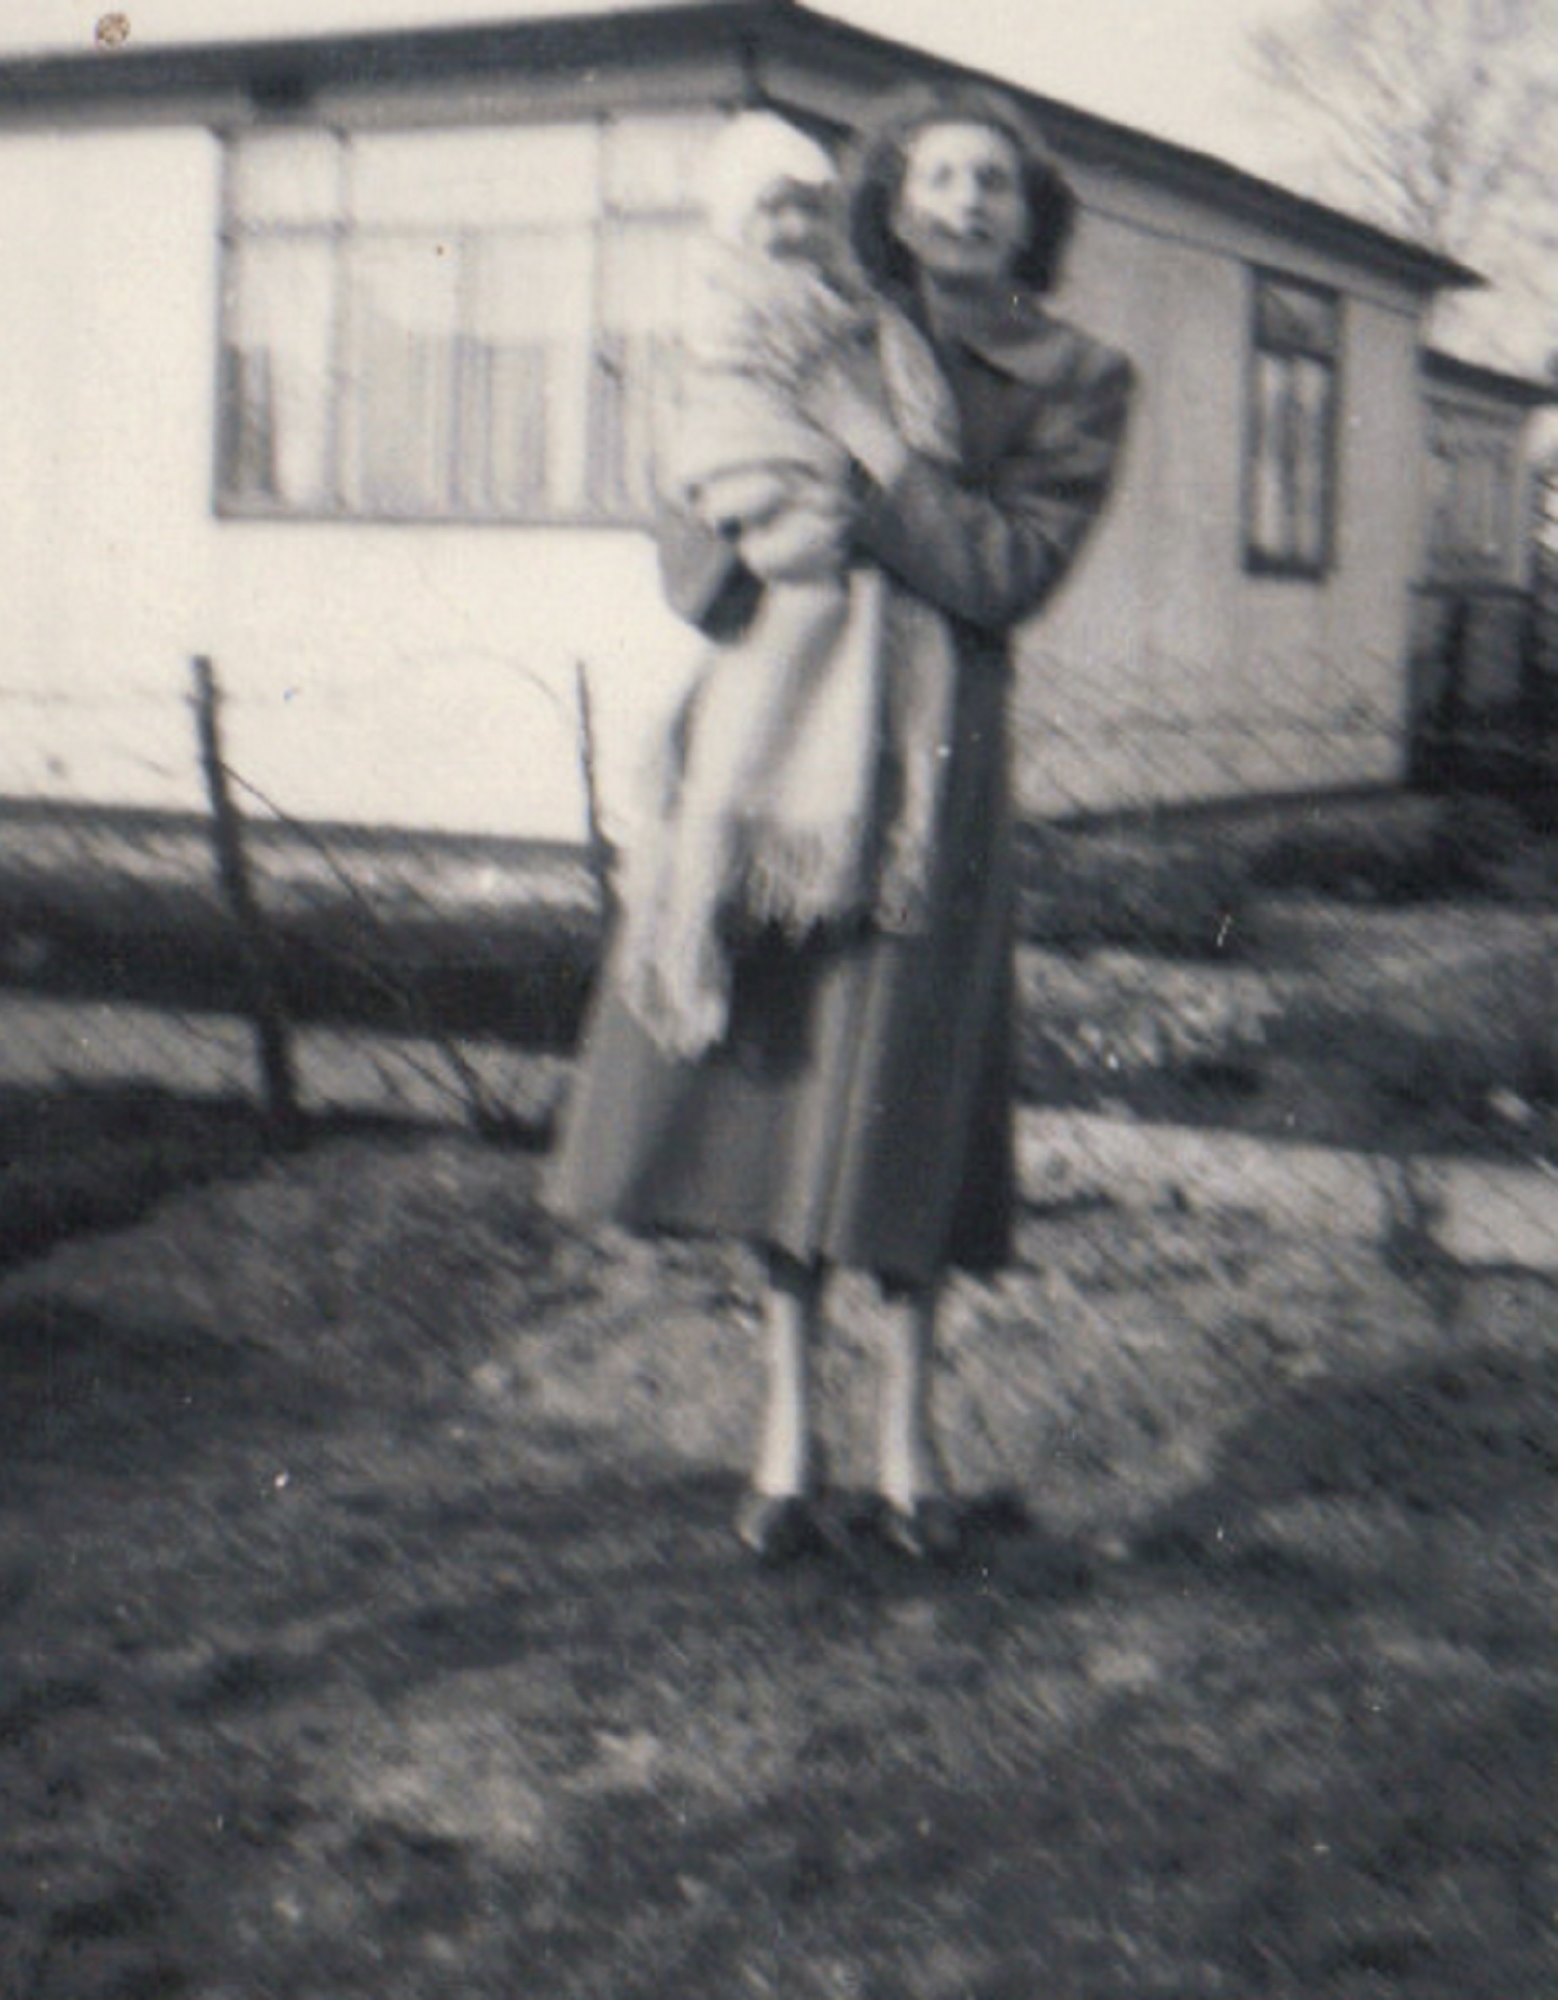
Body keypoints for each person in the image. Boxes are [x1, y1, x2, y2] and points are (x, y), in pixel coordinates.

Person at [546, 83, 1135, 1565]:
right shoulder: (794, 313)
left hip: (932, 772)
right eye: (935, 177)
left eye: (993, 181)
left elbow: (1003, 572)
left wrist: (868, 449)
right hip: (780, 756)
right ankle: (787, 1438)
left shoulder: (1072, 374)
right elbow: (689, 528)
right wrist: (746, 536)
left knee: (906, 1108)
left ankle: (907, 1446)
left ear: (1029, 213)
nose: (963, 202)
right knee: (786, 1094)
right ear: (888, 198)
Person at [620, 110, 962, 1060]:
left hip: (857, 582)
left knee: (864, 751)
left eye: (811, 213)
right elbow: (704, 432)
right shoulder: (719, 310)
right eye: (772, 212)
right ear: (732, 220)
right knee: (722, 771)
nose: (793, 232)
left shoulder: (859, 320)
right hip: (767, 556)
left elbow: (921, 451)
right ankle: (689, 943)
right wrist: (761, 496)